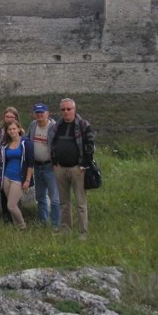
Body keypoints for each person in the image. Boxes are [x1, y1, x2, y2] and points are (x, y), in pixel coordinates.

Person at [51, 98, 95, 238]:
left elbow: (90, 146)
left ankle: (83, 233)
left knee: (81, 203)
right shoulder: (57, 126)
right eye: (63, 109)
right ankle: (66, 230)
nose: (66, 112)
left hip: (77, 169)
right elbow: (53, 144)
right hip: (60, 168)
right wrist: (54, 162)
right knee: (64, 202)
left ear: (74, 109)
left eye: (68, 109)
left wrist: (84, 165)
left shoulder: (83, 125)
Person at [27, 103, 60, 229]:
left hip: (50, 167)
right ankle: (43, 222)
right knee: (40, 196)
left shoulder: (54, 127)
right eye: (37, 113)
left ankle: (56, 225)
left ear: (47, 113)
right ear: (34, 114)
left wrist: (57, 162)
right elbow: (27, 140)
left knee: (55, 198)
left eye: (42, 112)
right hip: (37, 166)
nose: (39, 115)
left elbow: (59, 145)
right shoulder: (33, 125)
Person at [0, 119, 34, 229]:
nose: (12, 131)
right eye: (9, 129)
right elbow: (2, 162)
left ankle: (23, 226)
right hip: (6, 177)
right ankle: (16, 226)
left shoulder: (26, 143)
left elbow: (30, 163)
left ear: (19, 129)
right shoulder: (5, 144)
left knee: (11, 205)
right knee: (11, 204)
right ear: (7, 131)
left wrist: (27, 180)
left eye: (14, 128)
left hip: (18, 178)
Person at [0, 107, 21, 223]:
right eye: (7, 116)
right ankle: (6, 218)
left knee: (16, 196)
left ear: (16, 118)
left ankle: (17, 218)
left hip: (16, 167)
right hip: (3, 166)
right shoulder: (0, 131)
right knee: (4, 194)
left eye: (12, 117)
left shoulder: (19, 130)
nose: (9, 119)